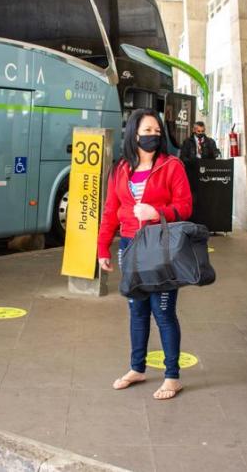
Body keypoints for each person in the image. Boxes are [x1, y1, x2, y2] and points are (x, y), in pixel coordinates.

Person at [97, 108, 193, 401]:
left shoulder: (172, 166)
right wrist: (103, 248)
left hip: (161, 248)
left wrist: (157, 212)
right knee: (136, 311)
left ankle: (172, 376)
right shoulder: (120, 169)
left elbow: (186, 206)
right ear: (133, 133)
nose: (152, 135)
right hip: (130, 247)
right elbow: (111, 211)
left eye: (156, 130)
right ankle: (137, 368)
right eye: (146, 130)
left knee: (163, 312)